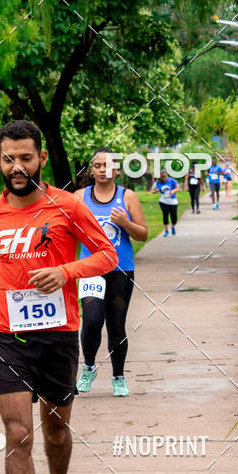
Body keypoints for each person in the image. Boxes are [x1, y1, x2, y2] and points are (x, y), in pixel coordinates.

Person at [0, 120, 118, 474]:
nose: (17, 167)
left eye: (25, 158)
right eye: (9, 158)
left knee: (54, 431)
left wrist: (67, 272)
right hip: (7, 335)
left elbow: (107, 255)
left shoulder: (67, 206)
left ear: (42, 159)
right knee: (17, 434)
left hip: (56, 333)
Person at [74, 148, 148, 397]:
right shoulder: (78, 197)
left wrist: (125, 224)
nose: (103, 170)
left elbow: (143, 234)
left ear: (117, 170)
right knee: (92, 320)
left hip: (121, 269)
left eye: (109, 165)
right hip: (91, 268)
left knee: (116, 324)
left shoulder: (128, 197)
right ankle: (88, 366)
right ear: (91, 170)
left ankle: (118, 376)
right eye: (98, 165)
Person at [153, 169, 179, 235]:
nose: (164, 178)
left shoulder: (171, 180)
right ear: (160, 177)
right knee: (165, 215)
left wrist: (173, 191)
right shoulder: (158, 182)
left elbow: (177, 187)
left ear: (167, 175)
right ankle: (166, 230)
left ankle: (173, 227)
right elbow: (152, 190)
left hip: (173, 201)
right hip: (163, 201)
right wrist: (155, 191)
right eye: (162, 177)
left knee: (174, 217)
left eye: (165, 176)